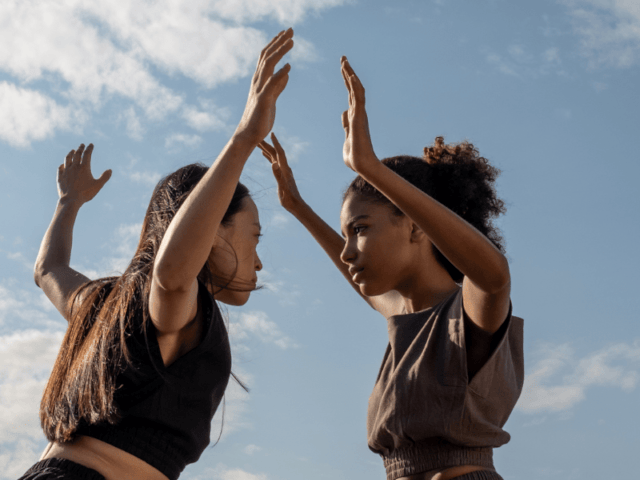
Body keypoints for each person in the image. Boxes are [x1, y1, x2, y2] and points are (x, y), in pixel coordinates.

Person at [21, 28, 294, 480]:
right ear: (209, 233)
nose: (259, 261)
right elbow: (171, 274)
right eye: (255, 237)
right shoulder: (172, 303)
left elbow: (47, 269)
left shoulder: (102, 305)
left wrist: (67, 204)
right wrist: (243, 138)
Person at [258, 56, 523, 480]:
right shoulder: (403, 318)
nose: (347, 252)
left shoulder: (468, 313)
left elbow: (495, 275)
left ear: (416, 226)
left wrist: (371, 169)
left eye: (360, 229)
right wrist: (298, 208)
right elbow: (361, 283)